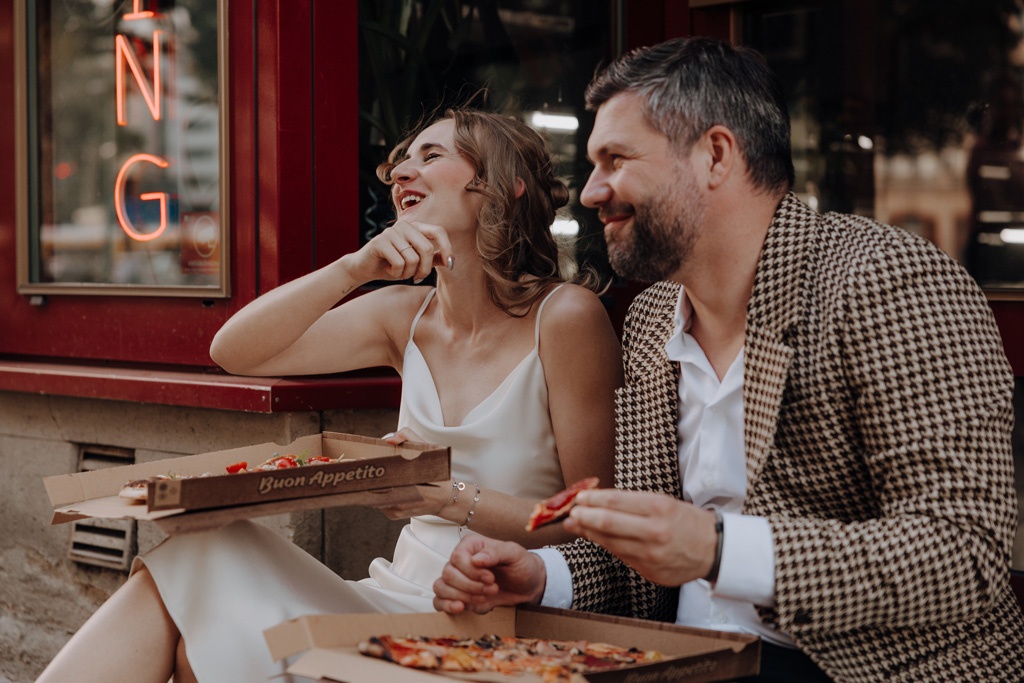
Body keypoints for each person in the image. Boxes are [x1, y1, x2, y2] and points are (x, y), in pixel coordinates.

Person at [432, 37, 1024, 683]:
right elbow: (649, 549)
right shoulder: (653, 316)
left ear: (715, 154)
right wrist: (543, 574)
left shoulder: (888, 283)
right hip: (684, 656)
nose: (592, 191)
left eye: (616, 159)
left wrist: (717, 548)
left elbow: (964, 554)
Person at [36, 108, 622, 683]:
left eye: (432, 155)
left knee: (199, 649)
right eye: (402, 161)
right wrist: (352, 268)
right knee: (203, 547)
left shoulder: (566, 317)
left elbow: (590, 520)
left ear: (502, 186)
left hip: (498, 619)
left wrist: (443, 496)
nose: (400, 174)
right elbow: (233, 351)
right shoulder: (404, 315)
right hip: (389, 596)